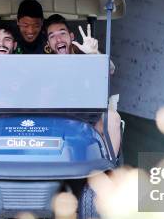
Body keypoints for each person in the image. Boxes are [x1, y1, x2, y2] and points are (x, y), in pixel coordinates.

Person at [44, 13, 122, 154]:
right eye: (52, 36)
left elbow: (110, 70)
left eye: (62, 33)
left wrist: (93, 54)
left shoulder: (86, 57)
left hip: (89, 123)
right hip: (58, 122)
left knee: (112, 118)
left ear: (71, 36)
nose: (58, 39)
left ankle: (109, 171)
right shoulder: (45, 67)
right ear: (48, 44)